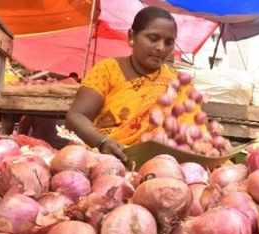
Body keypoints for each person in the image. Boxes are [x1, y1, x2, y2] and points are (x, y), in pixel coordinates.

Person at [66, 6, 183, 162]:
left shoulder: (176, 82)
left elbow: (187, 128)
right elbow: (76, 116)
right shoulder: (108, 70)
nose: (161, 47)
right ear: (131, 36)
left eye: (169, 42)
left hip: (158, 166)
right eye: (153, 38)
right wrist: (102, 142)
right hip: (103, 160)